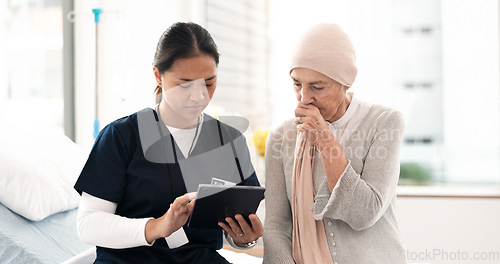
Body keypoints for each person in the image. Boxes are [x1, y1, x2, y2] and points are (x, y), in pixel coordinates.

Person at [74, 22, 263, 264]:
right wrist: (157, 226)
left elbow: (237, 228)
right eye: (185, 84)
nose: (199, 96)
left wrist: (244, 239)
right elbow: (88, 224)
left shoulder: (230, 141)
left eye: (208, 82)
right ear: (158, 76)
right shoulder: (121, 137)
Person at [263, 24, 407, 264]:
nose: (304, 97)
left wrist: (324, 138)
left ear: (346, 82)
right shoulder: (280, 137)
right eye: (297, 84)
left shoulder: (385, 123)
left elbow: (365, 213)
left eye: (318, 87)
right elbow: (276, 226)